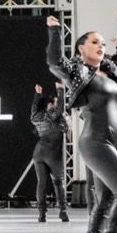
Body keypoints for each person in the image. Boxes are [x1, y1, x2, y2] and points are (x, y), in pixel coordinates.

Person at [46, 13, 117, 233]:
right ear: (81, 49)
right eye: (95, 42)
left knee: (105, 199)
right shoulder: (77, 72)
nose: (101, 46)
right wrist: (54, 31)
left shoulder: (110, 71)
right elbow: (55, 61)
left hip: (112, 140)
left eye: (103, 44)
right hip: (95, 141)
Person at [87, 8, 117, 233]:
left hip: (112, 133)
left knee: (111, 185)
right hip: (114, 132)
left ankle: (107, 229)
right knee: (113, 184)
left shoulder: (102, 73)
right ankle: (111, 227)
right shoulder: (85, 76)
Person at [30, 82, 68, 223]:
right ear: (50, 105)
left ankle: (42, 214)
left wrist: (38, 94)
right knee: (58, 182)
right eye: (54, 103)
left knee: (41, 183)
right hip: (52, 153)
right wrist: (60, 90)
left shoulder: (36, 117)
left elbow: (34, 108)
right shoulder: (53, 115)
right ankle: (63, 212)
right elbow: (60, 108)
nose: (55, 105)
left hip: (38, 152)